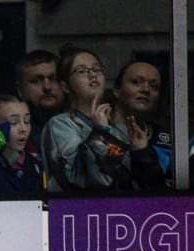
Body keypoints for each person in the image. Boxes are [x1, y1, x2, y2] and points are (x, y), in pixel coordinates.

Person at [41, 47, 164, 193]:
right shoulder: (61, 124)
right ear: (65, 86)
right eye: (81, 71)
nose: (92, 75)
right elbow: (90, 181)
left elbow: (141, 185)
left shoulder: (115, 128)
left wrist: (141, 152)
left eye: (97, 69)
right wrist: (101, 133)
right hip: (79, 212)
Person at [111, 60, 174, 180]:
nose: (146, 89)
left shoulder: (162, 136)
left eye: (154, 86)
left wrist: (143, 154)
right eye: (136, 82)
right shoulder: (98, 129)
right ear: (116, 90)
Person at [14, 48, 63, 137]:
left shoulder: (80, 125)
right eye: (36, 81)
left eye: (53, 79)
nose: (47, 87)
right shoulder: (10, 134)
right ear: (20, 90)